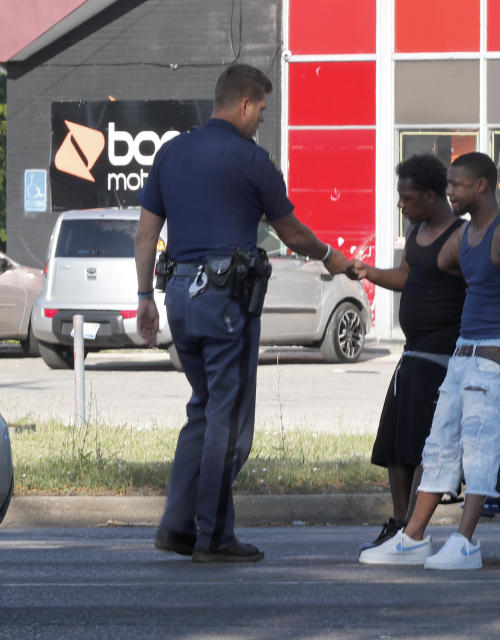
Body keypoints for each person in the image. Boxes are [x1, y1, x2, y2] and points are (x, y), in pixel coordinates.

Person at [135, 63, 352, 563]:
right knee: (228, 422)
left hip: (179, 296)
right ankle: (212, 537)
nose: (260, 121)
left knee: (203, 410)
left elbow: (146, 234)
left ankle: (177, 525)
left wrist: (145, 296)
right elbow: (293, 234)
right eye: (261, 111)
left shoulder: (170, 153)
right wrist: (329, 256)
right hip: (225, 304)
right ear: (246, 104)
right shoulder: (252, 161)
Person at [357, 151, 500, 570]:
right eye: (447, 185)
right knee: (438, 446)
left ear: (481, 185)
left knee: (479, 447)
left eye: (457, 185)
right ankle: (412, 536)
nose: (450, 192)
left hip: (499, 355)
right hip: (464, 353)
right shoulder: (462, 239)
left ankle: (465, 540)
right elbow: (430, 269)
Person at [348, 154, 466, 550]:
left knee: (421, 448)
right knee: (395, 446)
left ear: (432, 196)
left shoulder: (461, 237)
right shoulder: (417, 232)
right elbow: (405, 277)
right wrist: (369, 273)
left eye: (408, 197)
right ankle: (400, 525)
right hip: (412, 356)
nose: (401, 204)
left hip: (441, 359)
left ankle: (413, 532)